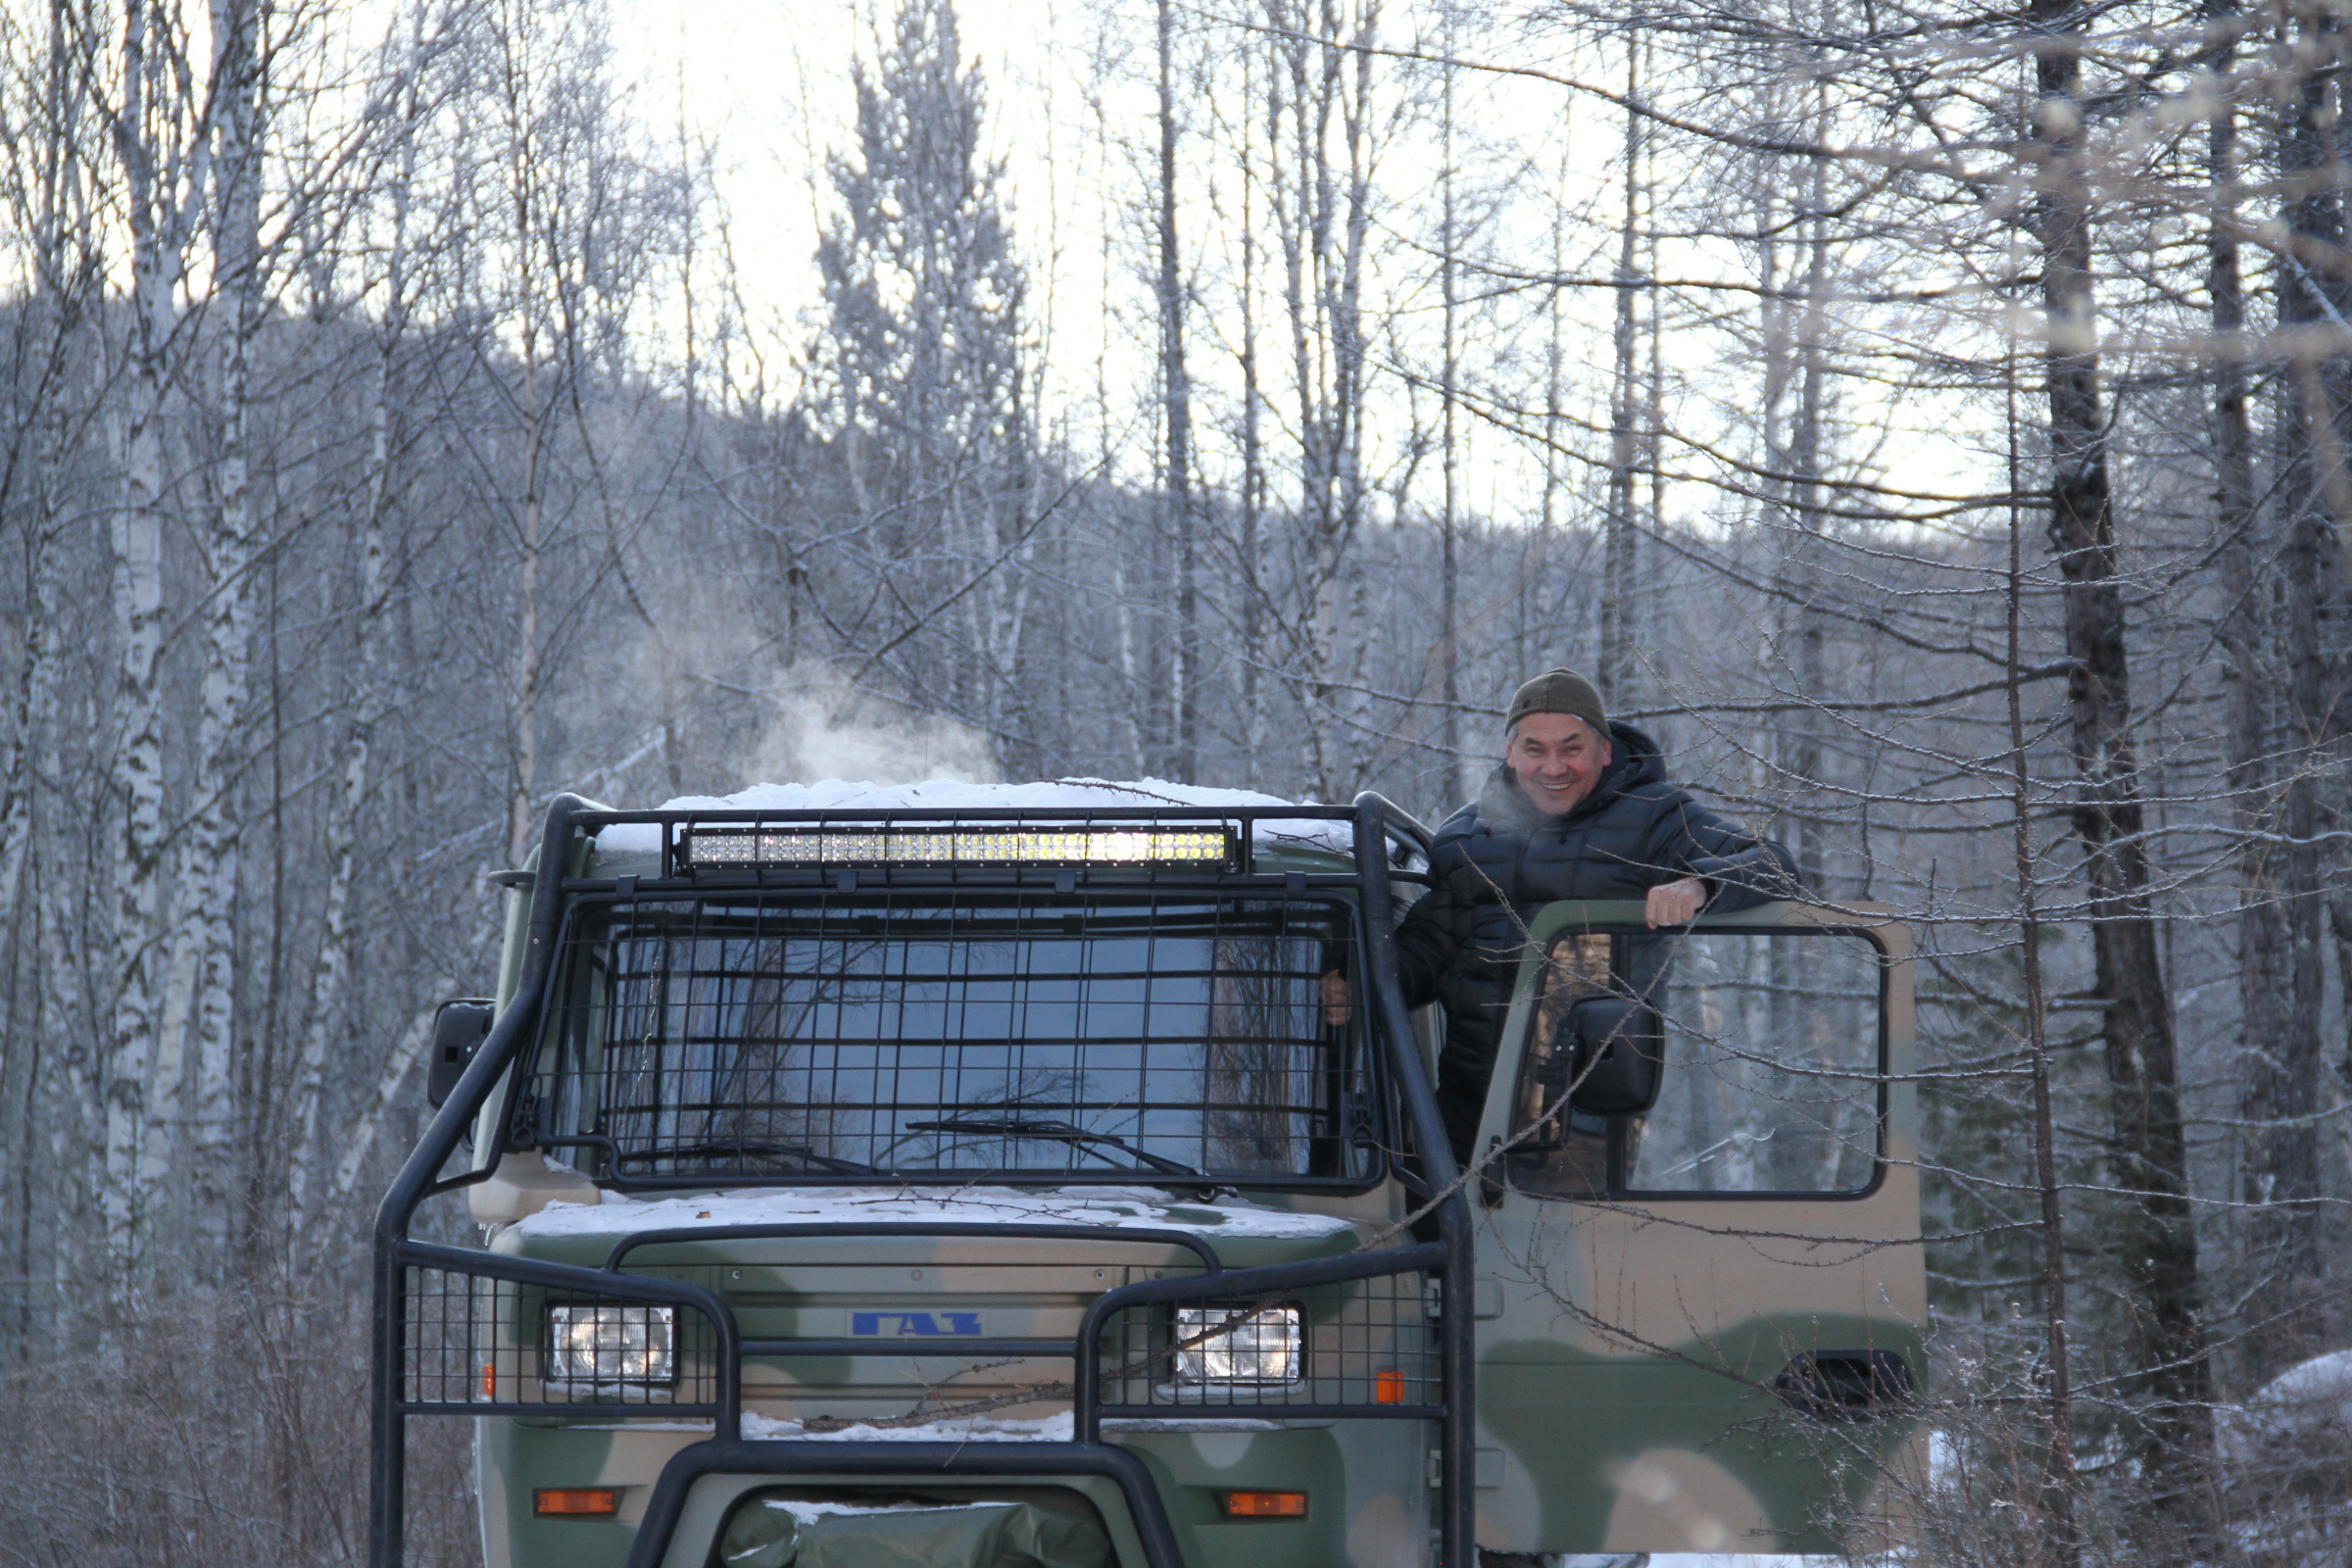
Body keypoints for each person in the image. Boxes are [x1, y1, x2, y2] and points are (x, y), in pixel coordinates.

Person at [1363, 668, 1799, 1162]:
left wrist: (1700, 884)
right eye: (1535, 749)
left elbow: (1775, 867)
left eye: (1571, 748)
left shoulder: (1655, 818)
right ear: (1510, 753)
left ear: (1604, 751)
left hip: (1586, 1116)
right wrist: (1354, 984)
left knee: (1567, 1241)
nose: (1554, 767)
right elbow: (1428, 947)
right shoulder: (1466, 837)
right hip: (1463, 1115)